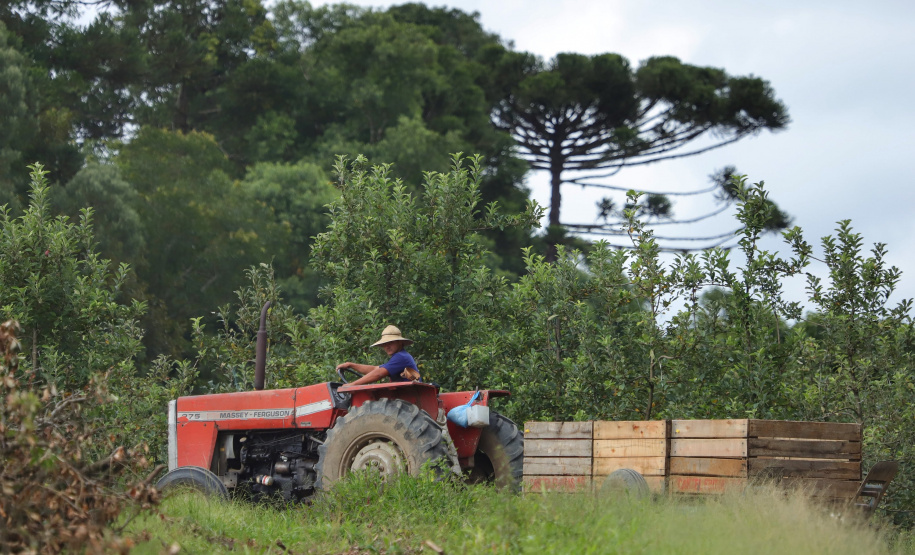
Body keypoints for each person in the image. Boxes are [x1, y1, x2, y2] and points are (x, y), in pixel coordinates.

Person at [336, 325, 421, 386]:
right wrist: (351, 365)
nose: (387, 347)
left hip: (408, 396)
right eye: (385, 344)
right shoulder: (399, 357)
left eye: (390, 343)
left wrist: (352, 384)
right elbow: (375, 369)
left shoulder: (401, 357)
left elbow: (378, 374)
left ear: (400, 342)